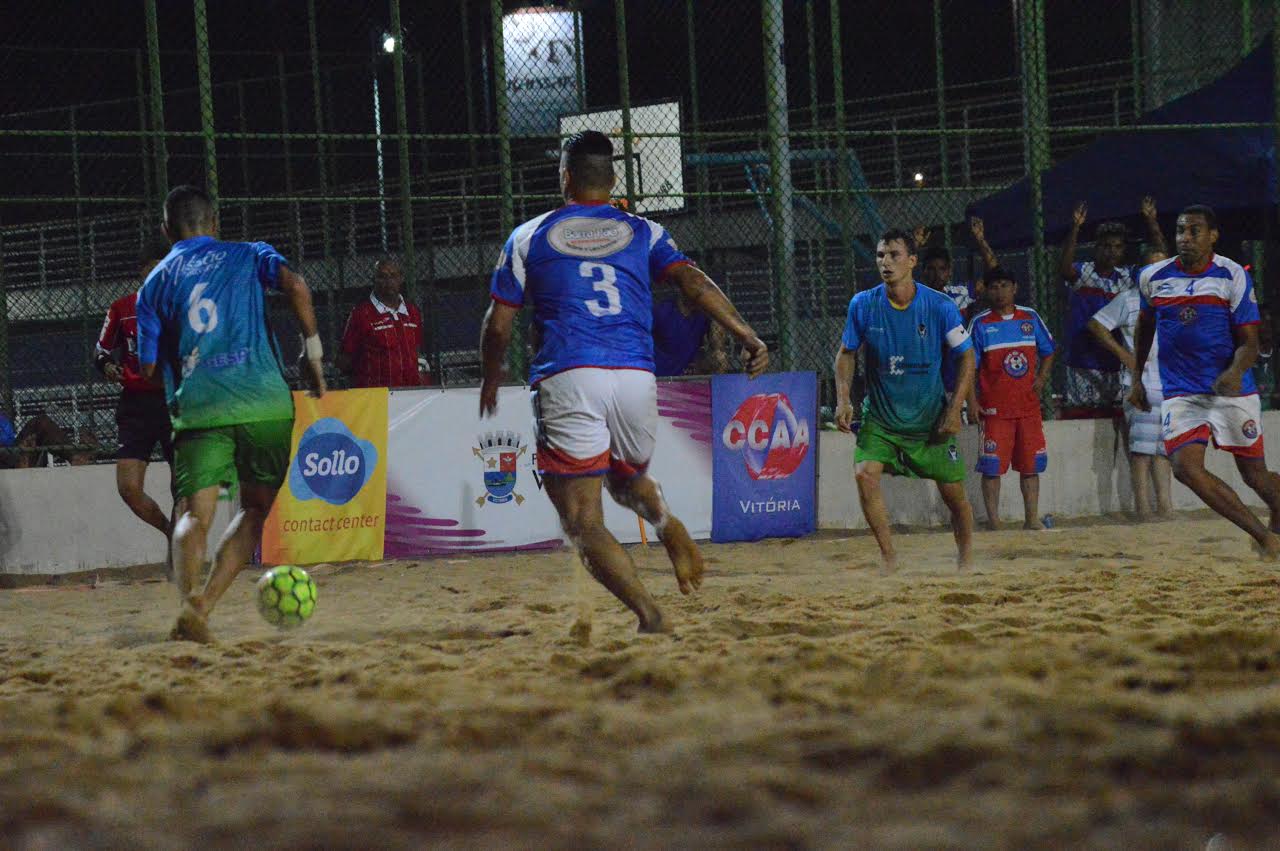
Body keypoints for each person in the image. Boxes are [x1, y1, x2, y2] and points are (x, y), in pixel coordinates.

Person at [479, 130, 768, 633]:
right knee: (621, 475)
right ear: (613, 180)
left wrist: (490, 377)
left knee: (582, 521)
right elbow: (693, 282)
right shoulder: (646, 231)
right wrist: (748, 335)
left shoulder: (528, 235)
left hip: (569, 374)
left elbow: (498, 324)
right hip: (637, 378)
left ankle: (650, 615)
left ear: (565, 178)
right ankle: (665, 524)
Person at [137, 185, 326, 642]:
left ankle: (189, 604)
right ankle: (207, 604)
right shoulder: (249, 254)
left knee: (193, 514)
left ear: (167, 230)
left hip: (200, 407)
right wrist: (313, 354)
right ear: (215, 222)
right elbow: (297, 285)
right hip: (264, 402)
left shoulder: (156, 281)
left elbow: (144, 368)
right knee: (255, 508)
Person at [1132, 204, 1280, 556]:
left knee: (1255, 477)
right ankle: (1265, 539)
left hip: (1230, 392)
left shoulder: (1232, 275)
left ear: (1213, 236)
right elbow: (1144, 326)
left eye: (1194, 230)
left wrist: (1235, 371)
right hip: (1181, 392)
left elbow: (1250, 340)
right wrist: (1136, 377)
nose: (1185, 237)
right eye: (1181, 230)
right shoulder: (1153, 276)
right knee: (1185, 468)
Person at [834, 228, 977, 570]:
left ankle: (968, 562)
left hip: (930, 421)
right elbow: (846, 353)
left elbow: (968, 358)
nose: (885, 261)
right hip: (881, 419)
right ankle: (890, 560)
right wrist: (843, 399)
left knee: (955, 497)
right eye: (881, 255)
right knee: (864, 475)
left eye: (894, 255)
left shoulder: (940, 306)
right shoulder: (863, 304)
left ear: (912, 261)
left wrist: (956, 408)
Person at [94, 240, 175, 541]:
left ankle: (181, 549)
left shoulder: (181, 307)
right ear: (141, 272)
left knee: (183, 485)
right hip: (136, 405)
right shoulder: (121, 309)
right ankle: (170, 532)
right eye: (151, 268)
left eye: (162, 268)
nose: (156, 274)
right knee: (128, 488)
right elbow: (100, 352)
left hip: (174, 401)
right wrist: (108, 368)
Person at [1059, 197, 1167, 419]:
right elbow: (1065, 269)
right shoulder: (1083, 273)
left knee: (1115, 415)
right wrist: (1075, 228)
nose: (1112, 251)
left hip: (1114, 360)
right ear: (1097, 248)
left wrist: (1152, 222)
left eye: (1118, 247)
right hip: (1082, 360)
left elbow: (1161, 265)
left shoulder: (1127, 277)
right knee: (1081, 414)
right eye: (1106, 246)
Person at [965, 267, 1055, 530]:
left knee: (1030, 466)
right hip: (994, 411)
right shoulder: (980, 324)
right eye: (994, 286)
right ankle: (994, 521)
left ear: (1015, 288)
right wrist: (972, 401)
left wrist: (1041, 378)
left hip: (1028, 409)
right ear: (986, 290)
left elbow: (1049, 351)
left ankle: (1031, 518)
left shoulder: (1030, 318)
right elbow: (968, 366)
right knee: (992, 468)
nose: (999, 291)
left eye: (1005, 285)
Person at [1088, 247, 1173, 522]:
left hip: (1172, 386)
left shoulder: (1176, 302)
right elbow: (1097, 325)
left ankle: (1165, 506)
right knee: (1141, 451)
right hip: (1141, 386)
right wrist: (1125, 355)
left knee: (1163, 450)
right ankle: (1144, 509)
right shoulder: (1129, 300)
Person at [338, 258, 430, 388]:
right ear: (374, 280)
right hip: (377, 396)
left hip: (411, 395)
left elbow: (416, 350)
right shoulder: (361, 314)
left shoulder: (413, 312)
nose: (388, 281)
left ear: (401, 278)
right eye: (382, 277)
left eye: (393, 276)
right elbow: (344, 360)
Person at [651, 286, 732, 377]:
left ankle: (719, 387)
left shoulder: (702, 314)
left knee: (720, 356)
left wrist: (715, 312)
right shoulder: (662, 311)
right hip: (660, 374)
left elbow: (718, 344)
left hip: (689, 373)